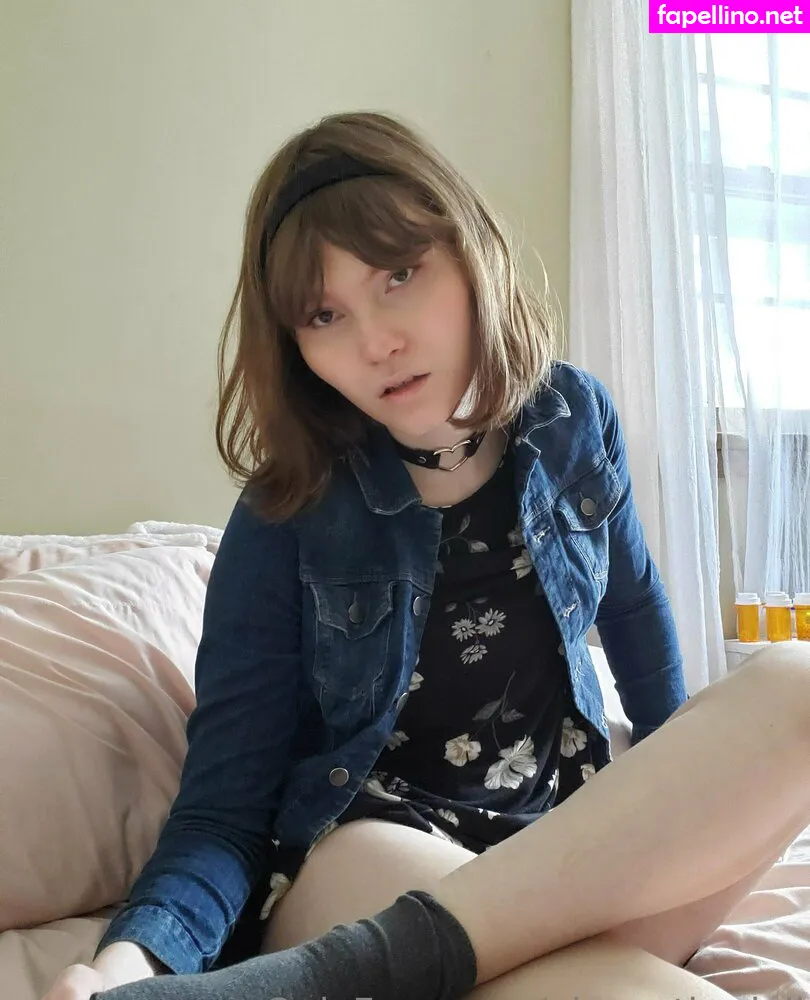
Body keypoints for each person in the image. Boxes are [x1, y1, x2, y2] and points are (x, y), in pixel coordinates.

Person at [46, 111, 810, 1000]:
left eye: (399, 276)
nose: (377, 342)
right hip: (374, 855)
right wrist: (123, 967)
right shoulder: (287, 513)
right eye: (325, 314)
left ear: (470, 253)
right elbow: (224, 809)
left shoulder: (572, 419)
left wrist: (680, 796)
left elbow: (635, 613)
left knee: (796, 683)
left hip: (569, 848)